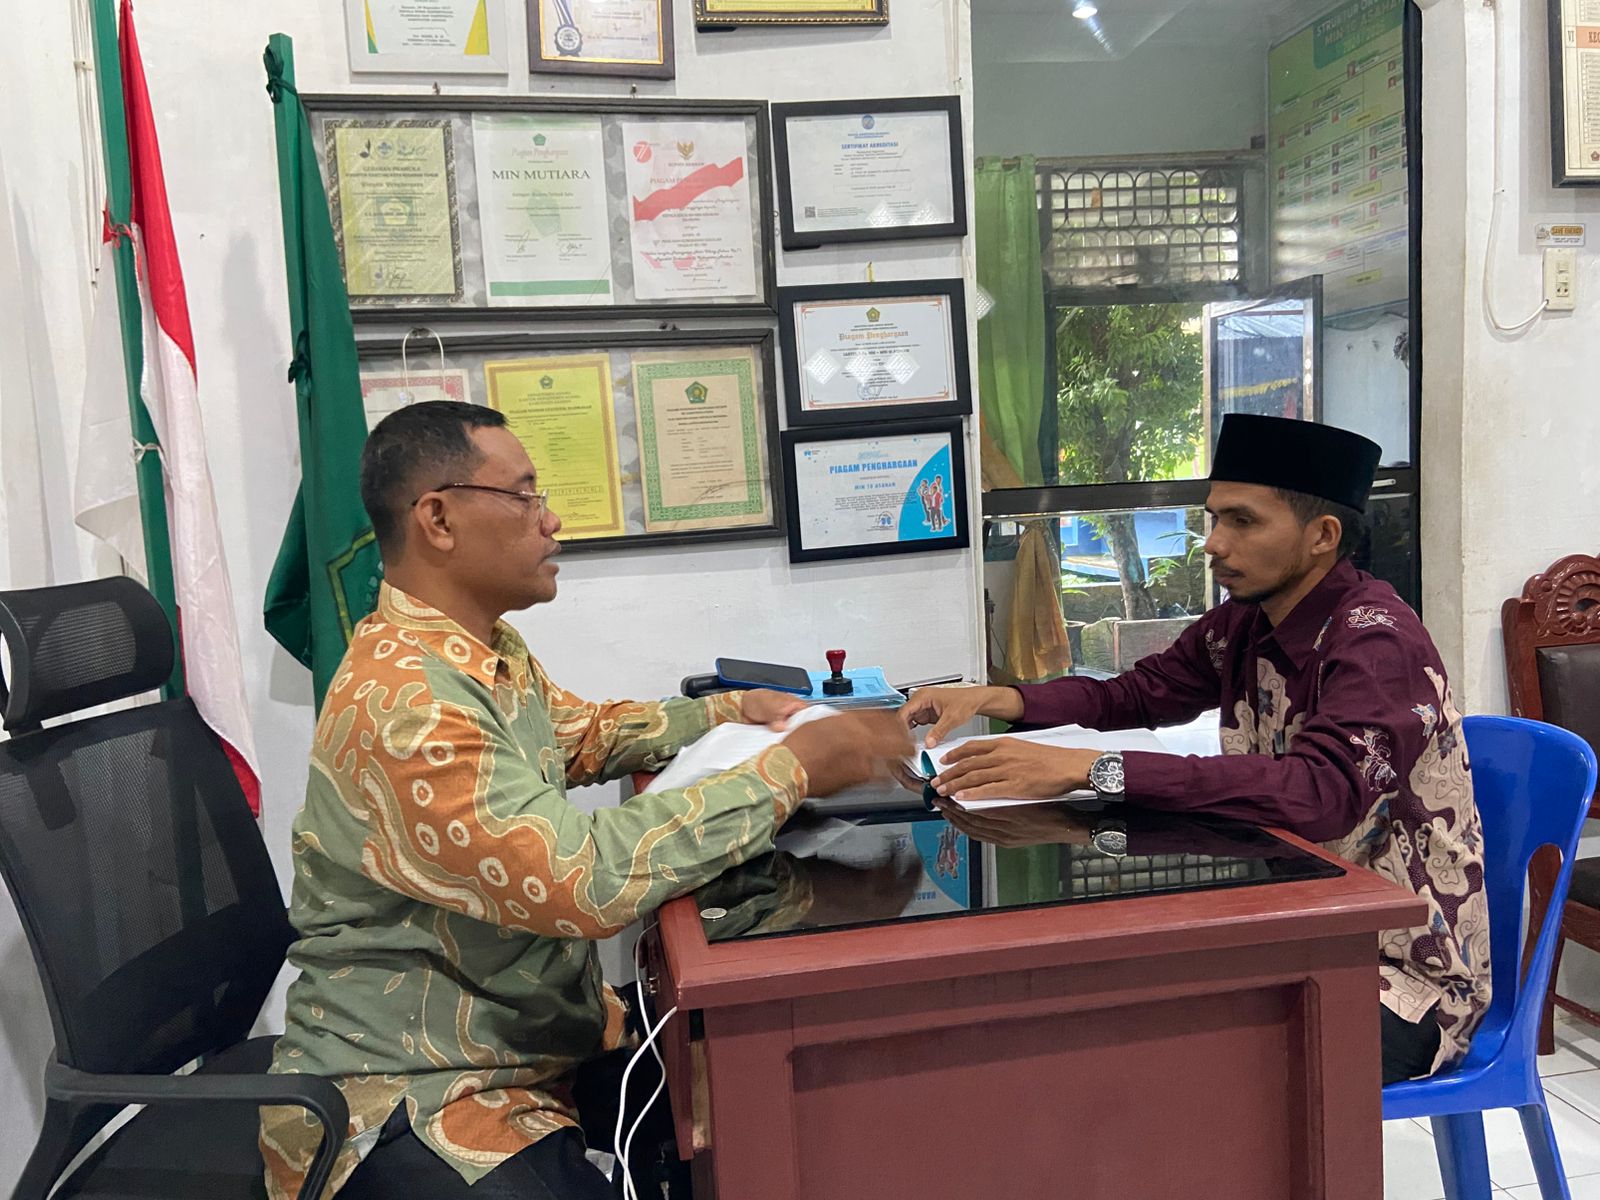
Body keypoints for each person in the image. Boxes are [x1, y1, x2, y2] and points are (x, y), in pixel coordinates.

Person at [260, 401, 911, 1200]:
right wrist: (793, 769)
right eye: (523, 495)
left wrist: (728, 711)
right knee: (736, 1100)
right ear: (438, 519)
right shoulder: (409, 704)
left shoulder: (478, 651)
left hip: (529, 1033)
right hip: (417, 1089)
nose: (551, 519)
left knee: (771, 1076)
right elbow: (583, 881)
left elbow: (579, 736)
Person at [903, 414, 1489, 1085]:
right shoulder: (1246, 623)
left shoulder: (1377, 642)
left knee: (1163, 1060)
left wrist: (1093, 770)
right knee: (1093, 997)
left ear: (1322, 536)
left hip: (1399, 975)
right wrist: (998, 699)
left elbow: (1317, 795)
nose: (1213, 543)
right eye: (1214, 518)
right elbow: (1137, 694)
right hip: (1295, 926)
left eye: (1243, 521)